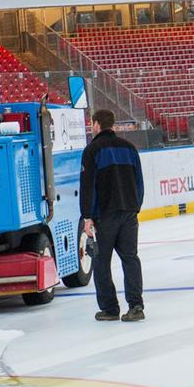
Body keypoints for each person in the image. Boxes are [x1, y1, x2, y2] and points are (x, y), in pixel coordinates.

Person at [80, 109, 145, 322]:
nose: (92, 127)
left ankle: (110, 308)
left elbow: (87, 185)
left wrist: (87, 216)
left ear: (97, 124)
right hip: (128, 213)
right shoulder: (129, 148)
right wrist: (135, 206)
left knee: (101, 262)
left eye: (92, 123)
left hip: (104, 216)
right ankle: (136, 306)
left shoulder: (92, 150)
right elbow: (139, 181)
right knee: (130, 258)